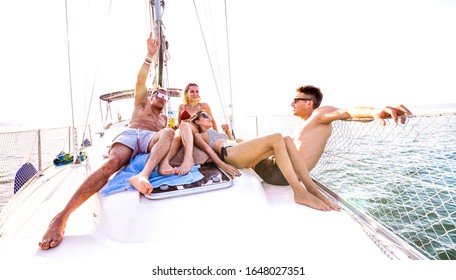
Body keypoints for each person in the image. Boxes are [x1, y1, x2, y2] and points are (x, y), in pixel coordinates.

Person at [39, 33, 174, 250]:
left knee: (168, 133)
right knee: (111, 164)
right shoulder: (142, 105)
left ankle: (143, 175)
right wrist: (149, 56)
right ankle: (61, 217)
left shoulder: (164, 118)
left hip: (151, 139)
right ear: (151, 96)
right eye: (158, 92)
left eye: (165, 94)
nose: (161, 95)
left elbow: (168, 138)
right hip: (132, 134)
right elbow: (140, 80)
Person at [253, 85, 413, 186]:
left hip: (282, 176)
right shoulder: (304, 123)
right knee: (243, 143)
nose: (291, 104)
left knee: (241, 149)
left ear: (309, 103)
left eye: (296, 100)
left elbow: (346, 112)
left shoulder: (319, 114)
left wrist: (374, 111)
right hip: (282, 171)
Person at [189, 111, 340, 211]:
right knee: (276, 137)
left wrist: (227, 132)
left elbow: (235, 143)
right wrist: (223, 165)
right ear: (197, 121)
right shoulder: (200, 135)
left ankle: (312, 189)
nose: (209, 117)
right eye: (205, 115)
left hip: (237, 151)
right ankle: (299, 192)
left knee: (286, 140)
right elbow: (209, 150)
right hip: (229, 154)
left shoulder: (217, 133)